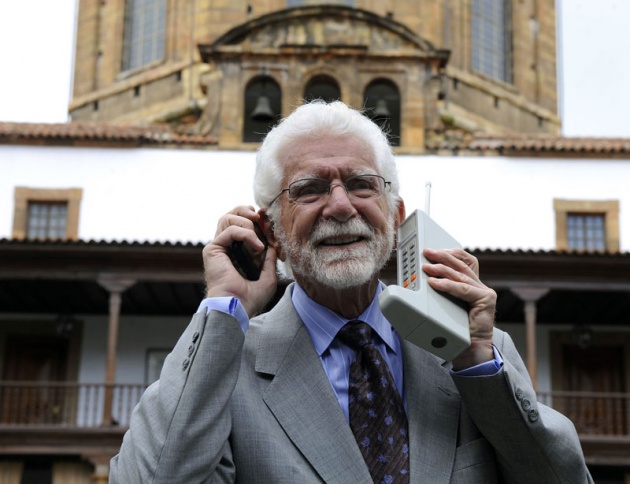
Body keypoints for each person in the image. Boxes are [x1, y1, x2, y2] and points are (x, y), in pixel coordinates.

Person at [109, 101, 592, 483]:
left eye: (362, 185)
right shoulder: (226, 366)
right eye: (310, 189)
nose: (340, 206)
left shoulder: (477, 354)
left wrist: (477, 365)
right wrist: (222, 307)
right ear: (272, 231)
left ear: (397, 215)